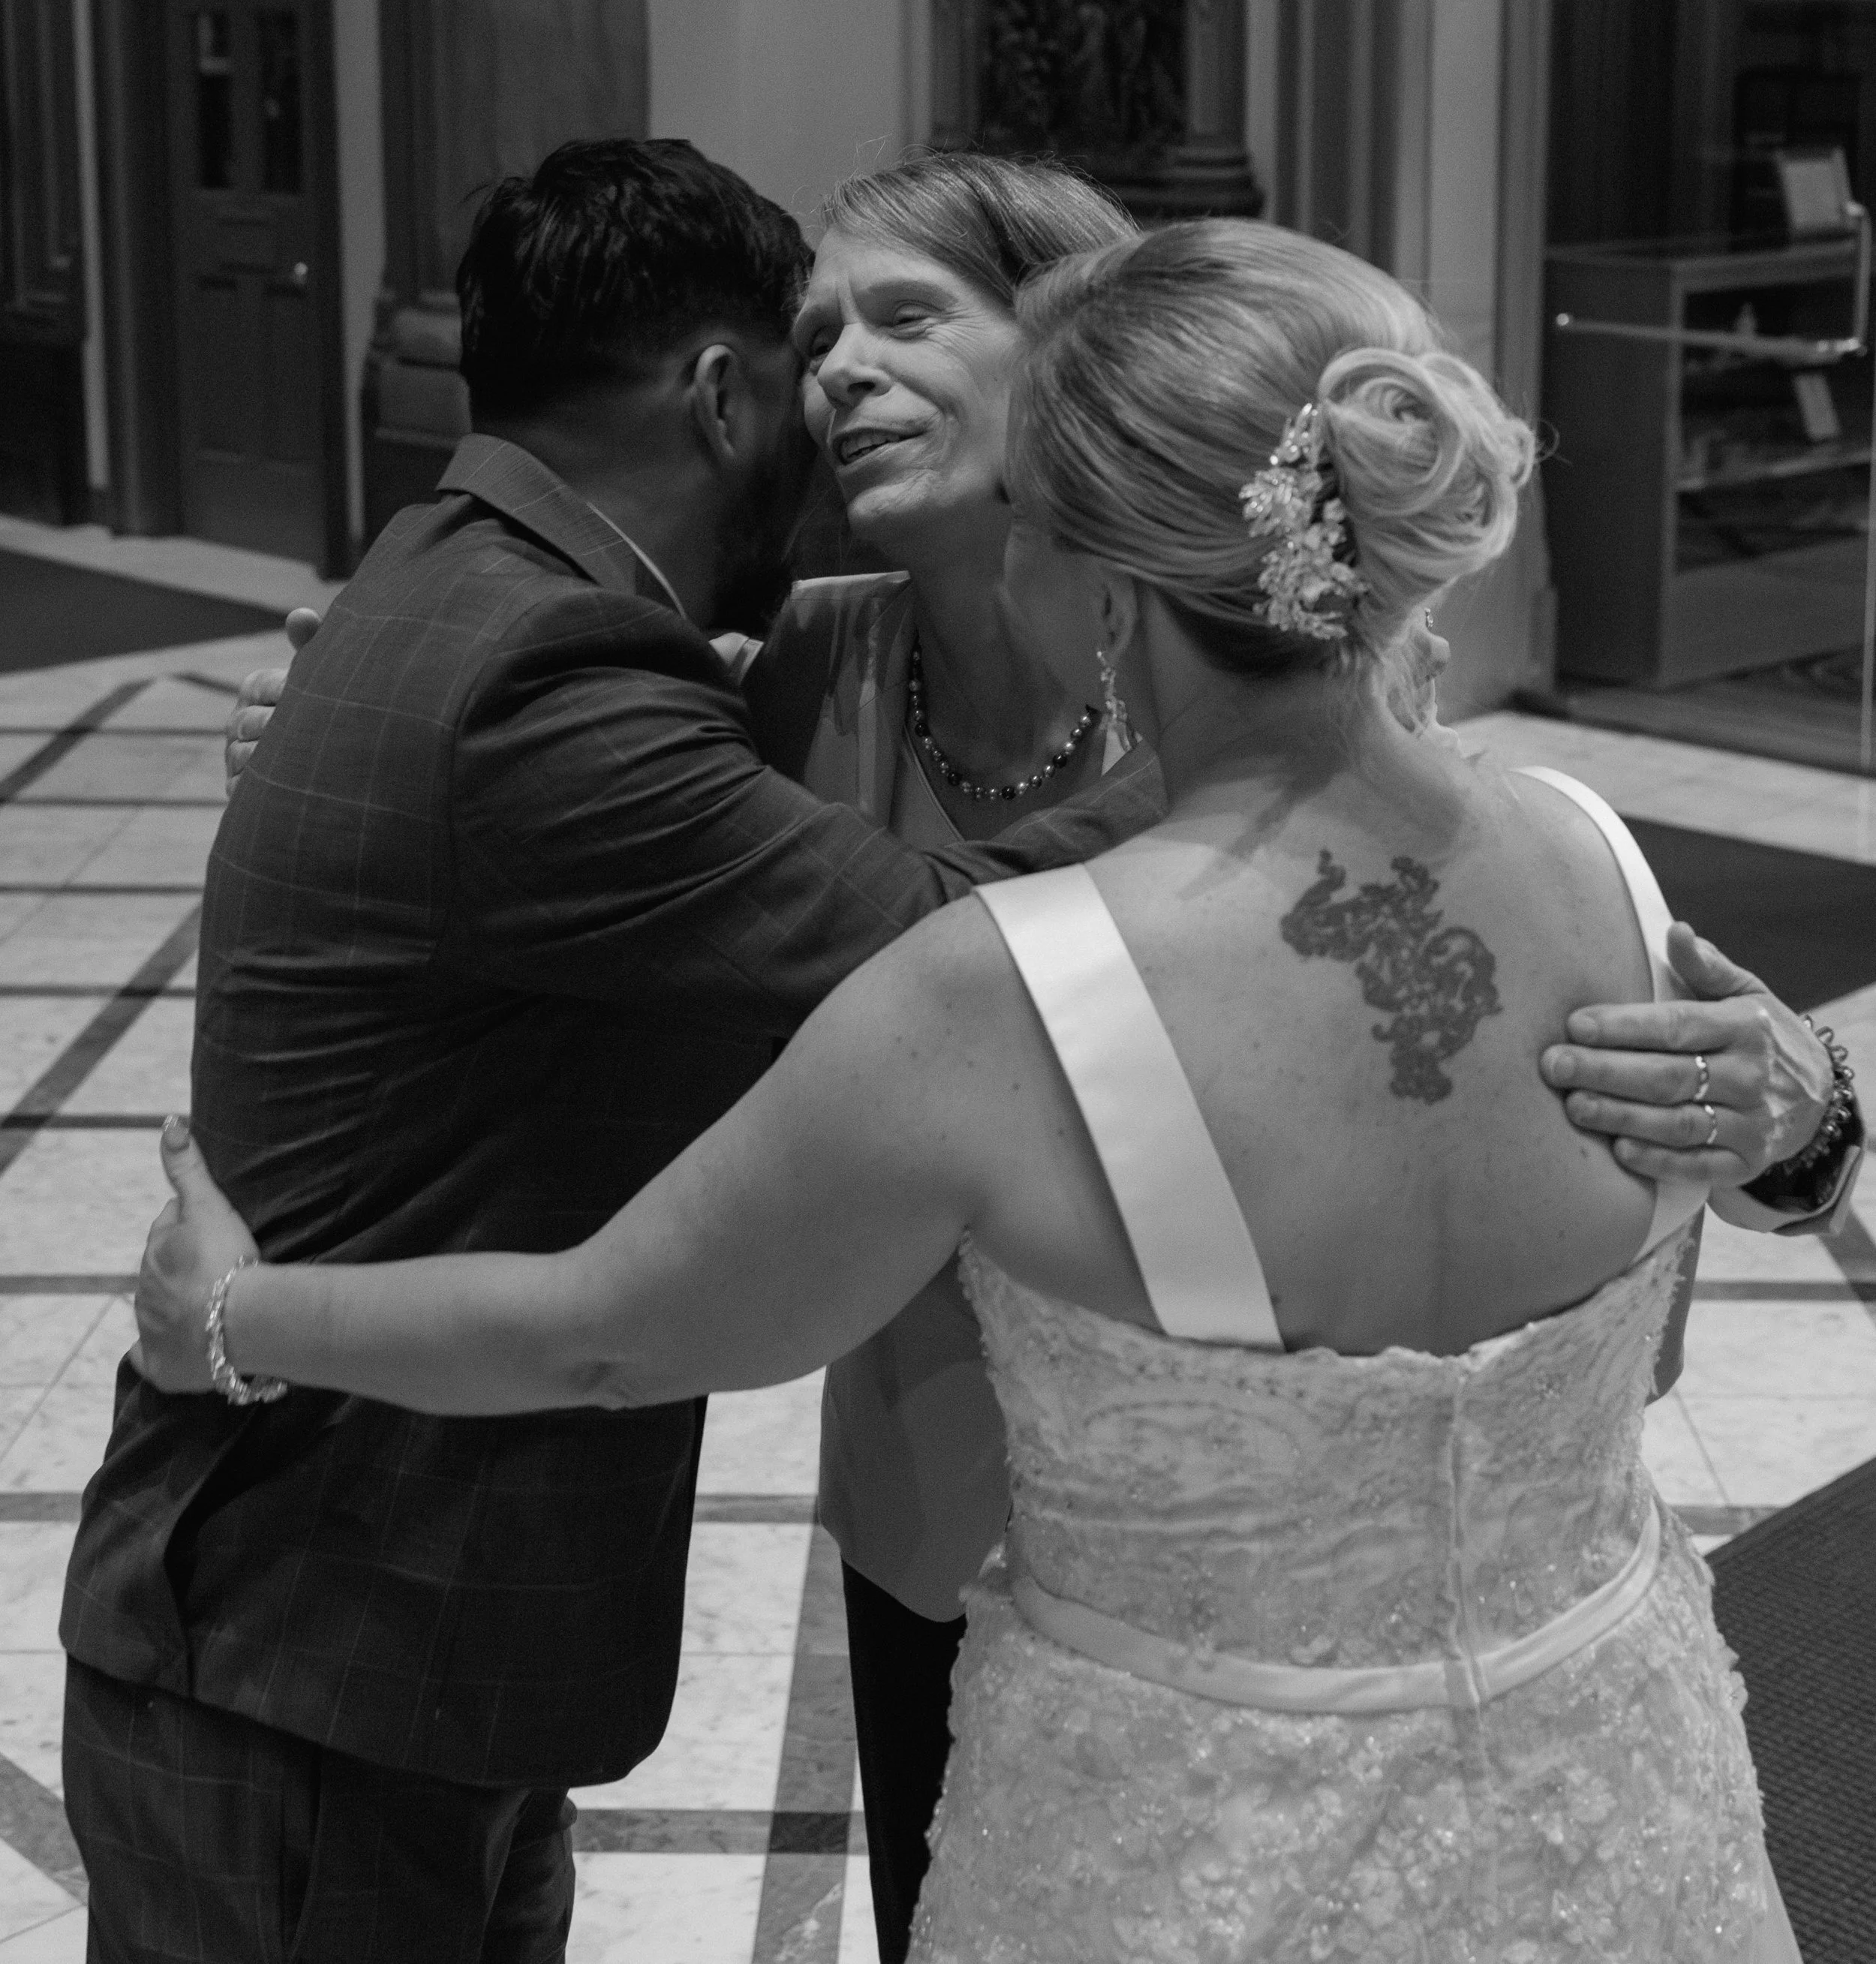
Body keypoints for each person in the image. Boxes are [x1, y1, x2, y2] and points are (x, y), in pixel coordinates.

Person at [137, 218, 1846, 1957]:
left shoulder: (1003, 996)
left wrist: (240, 1313)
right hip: (1605, 1795)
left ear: (1102, 586)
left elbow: (608, 1329)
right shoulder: (1591, 851)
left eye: (1021, 506)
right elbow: (1656, 1350)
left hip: (1188, 1855)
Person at [58, 139, 1166, 1964]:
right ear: (729, 393)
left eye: (902, 319)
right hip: (347, 1625)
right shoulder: (730, 666)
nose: (840, 387)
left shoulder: (514, 625)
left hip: (1158, 1468)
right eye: (819, 341)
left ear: (1073, 351)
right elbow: (948, 969)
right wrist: (1262, 809)